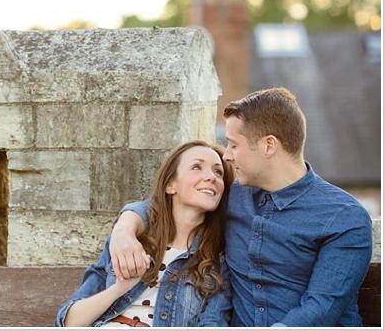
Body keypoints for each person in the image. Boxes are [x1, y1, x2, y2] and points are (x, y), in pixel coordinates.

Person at [109, 87, 373, 327]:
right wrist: (124, 229)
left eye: (234, 144)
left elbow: (322, 307)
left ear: (269, 145)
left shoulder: (344, 217)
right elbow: (164, 204)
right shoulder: (232, 196)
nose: (227, 155)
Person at [55, 140, 234, 327]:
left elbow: (213, 323)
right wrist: (120, 288)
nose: (211, 177)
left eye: (218, 172)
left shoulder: (218, 262)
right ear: (170, 185)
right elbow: (68, 322)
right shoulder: (130, 242)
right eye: (197, 167)